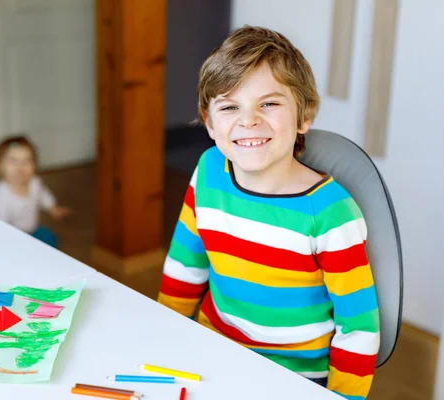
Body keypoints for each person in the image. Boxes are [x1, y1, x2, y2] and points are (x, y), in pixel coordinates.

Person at [157, 26, 380, 399]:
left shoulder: (330, 214)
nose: (248, 120)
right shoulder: (210, 170)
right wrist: (165, 334)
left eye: (269, 103)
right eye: (229, 107)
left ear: (304, 115)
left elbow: (358, 327)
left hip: (294, 379)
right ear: (210, 123)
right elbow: (185, 263)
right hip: (214, 354)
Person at [0, 135, 72, 248]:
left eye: (26, 161)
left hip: (33, 229)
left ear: (34, 166)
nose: (20, 167)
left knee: (51, 239)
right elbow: (0, 224)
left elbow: (43, 195)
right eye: (13, 161)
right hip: (13, 236)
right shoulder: (0, 195)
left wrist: (53, 208)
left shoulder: (34, 182)